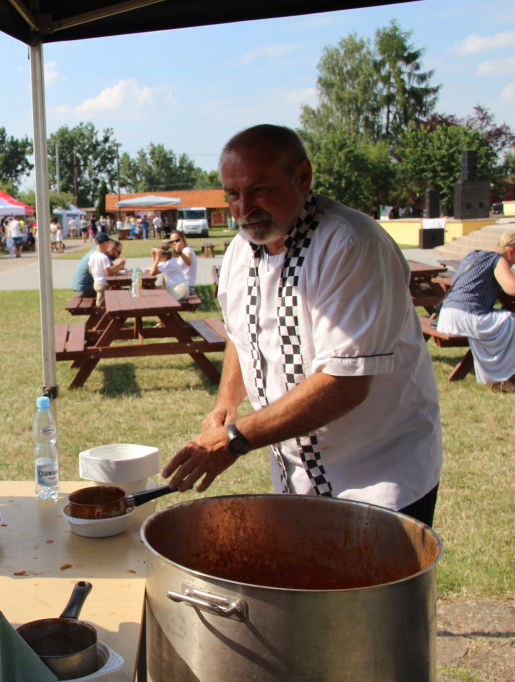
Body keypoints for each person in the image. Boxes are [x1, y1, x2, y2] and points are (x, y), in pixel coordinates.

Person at [161, 124, 443, 527]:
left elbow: (344, 383)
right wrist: (227, 403)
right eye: (234, 195)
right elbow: (241, 335)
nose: (244, 209)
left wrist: (237, 438)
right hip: (296, 474)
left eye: (259, 190)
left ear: (303, 177)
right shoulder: (241, 252)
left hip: (378, 476)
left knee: (364, 590)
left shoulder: (350, 244)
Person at [436, 232, 515, 393]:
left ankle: (503, 377)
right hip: (467, 316)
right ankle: (504, 379)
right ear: (511, 251)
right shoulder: (498, 259)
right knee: (511, 322)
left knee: (506, 321)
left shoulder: (475, 255)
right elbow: (512, 288)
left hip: (446, 316)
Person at [164, 230, 197, 294]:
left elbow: (189, 262)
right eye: (172, 242)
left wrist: (180, 253)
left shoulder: (187, 250)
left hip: (187, 287)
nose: (175, 243)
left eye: (177, 240)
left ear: (183, 238)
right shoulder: (183, 252)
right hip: (180, 286)